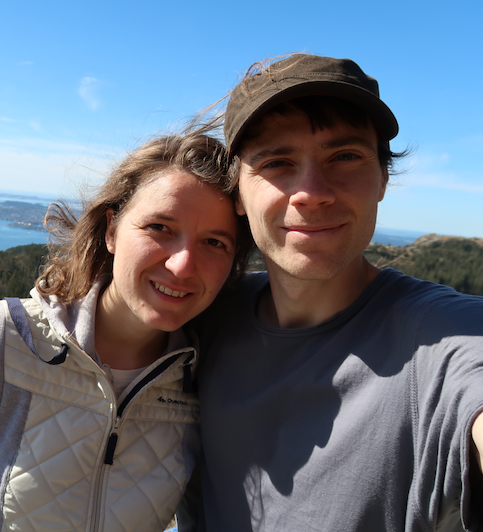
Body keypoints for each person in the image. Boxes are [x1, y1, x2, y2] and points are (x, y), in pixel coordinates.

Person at [0, 127, 254, 531]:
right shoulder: (9, 339)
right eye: (160, 228)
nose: (182, 265)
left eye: (214, 243)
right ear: (112, 229)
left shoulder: (205, 377)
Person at [196, 53, 483, 531]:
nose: (312, 191)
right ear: (238, 193)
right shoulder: (204, 316)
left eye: (345, 156)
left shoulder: (440, 338)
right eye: (277, 162)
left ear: (383, 179)